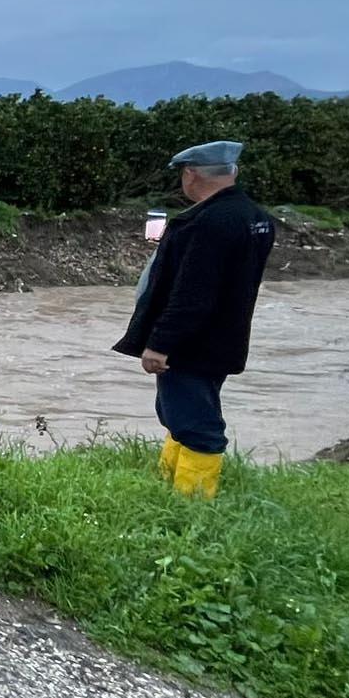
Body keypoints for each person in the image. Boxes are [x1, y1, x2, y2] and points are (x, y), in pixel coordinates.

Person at [112, 140, 276, 498]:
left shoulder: (208, 222)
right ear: (233, 172)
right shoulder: (255, 218)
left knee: (196, 423)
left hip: (191, 343)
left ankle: (191, 504)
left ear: (190, 174)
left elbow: (193, 293)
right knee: (180, 413)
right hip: (224, 337)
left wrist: (160, 343)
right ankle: (168, 487)